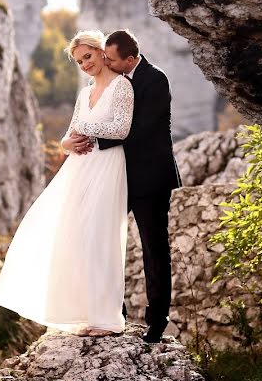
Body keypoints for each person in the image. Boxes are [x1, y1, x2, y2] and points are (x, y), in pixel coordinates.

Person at [0, 30, 134, 337]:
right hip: (79, 166)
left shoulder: (122, 87)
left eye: (88, 57)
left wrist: (84, 127)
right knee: (73, 235)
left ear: (101, 51)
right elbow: (66, 138)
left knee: (99, 235)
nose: (85, 65)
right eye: (79, 62)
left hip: (108, 165)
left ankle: (105, 318)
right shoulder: (84, 93)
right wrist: (69, 141)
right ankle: (81, 313)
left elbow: (120, 130)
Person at [70, 29, 181, 343]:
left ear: (130, 59)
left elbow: (139, 130)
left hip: (149, 177)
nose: (105, 61)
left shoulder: (154, 80)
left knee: (153, 248)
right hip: (114, 172)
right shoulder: (111, 83)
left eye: (111, 58)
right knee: (99, 237)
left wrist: (90, 136)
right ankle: (108, 312)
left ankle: (156, 321)